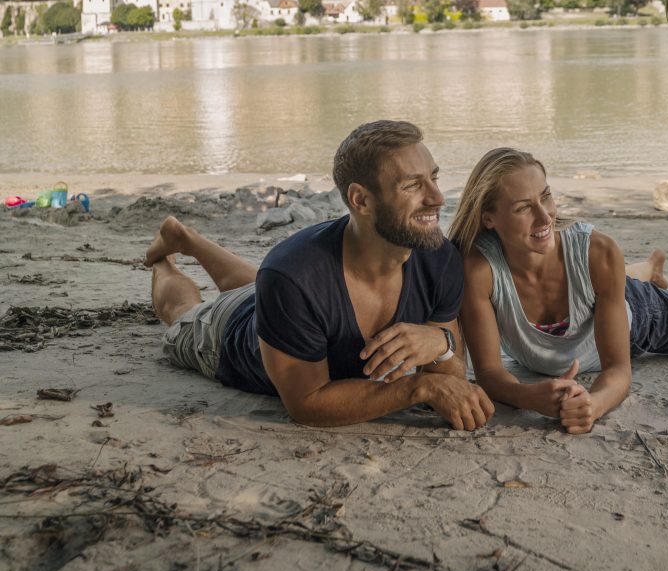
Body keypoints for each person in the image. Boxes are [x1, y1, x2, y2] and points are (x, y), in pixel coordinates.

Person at [146, 120, 494, 431]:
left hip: (280, 299)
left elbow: (452, 374)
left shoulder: (439, 258)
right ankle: (167, 259)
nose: (436, 197)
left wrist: (443, 347)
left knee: (261, 285)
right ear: (360, 199)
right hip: (226, 336)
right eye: (411, 185)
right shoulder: (293, 277)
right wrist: (418, 387)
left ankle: (188, 238)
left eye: (433, 177)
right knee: (183, 314)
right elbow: (306, 404)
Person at [450, 148, 668, 435]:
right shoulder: (478, 270)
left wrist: (594, 404)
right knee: (614, 279)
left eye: (546, 197)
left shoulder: (597, 251)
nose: (545, 218)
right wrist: (528, 396)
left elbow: (618, 369)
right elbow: (490, 374)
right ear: (489, 218)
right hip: (598, 297)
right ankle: (648, 268)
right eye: (523, 207)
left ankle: (646, 274)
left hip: (641, 318)